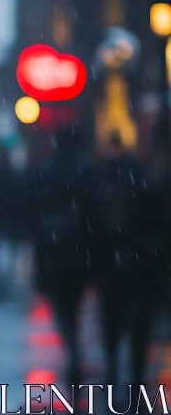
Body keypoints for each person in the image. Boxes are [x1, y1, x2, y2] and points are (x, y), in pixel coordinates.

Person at [91, 132, 167, 390]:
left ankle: (116, 366)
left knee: (115, 318)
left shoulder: (106, 180)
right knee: (139, 323)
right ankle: (135, 374)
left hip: (117, 265)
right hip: (141, 264)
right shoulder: (146, 181)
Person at [27, 126, 93, 386]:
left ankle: (71, 343)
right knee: (73, 298)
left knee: (59, 299)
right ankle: (73, 342)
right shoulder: (86, 171)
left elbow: (32, 208)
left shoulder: (46, 170)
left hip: (52, 247)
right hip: (78, 247)